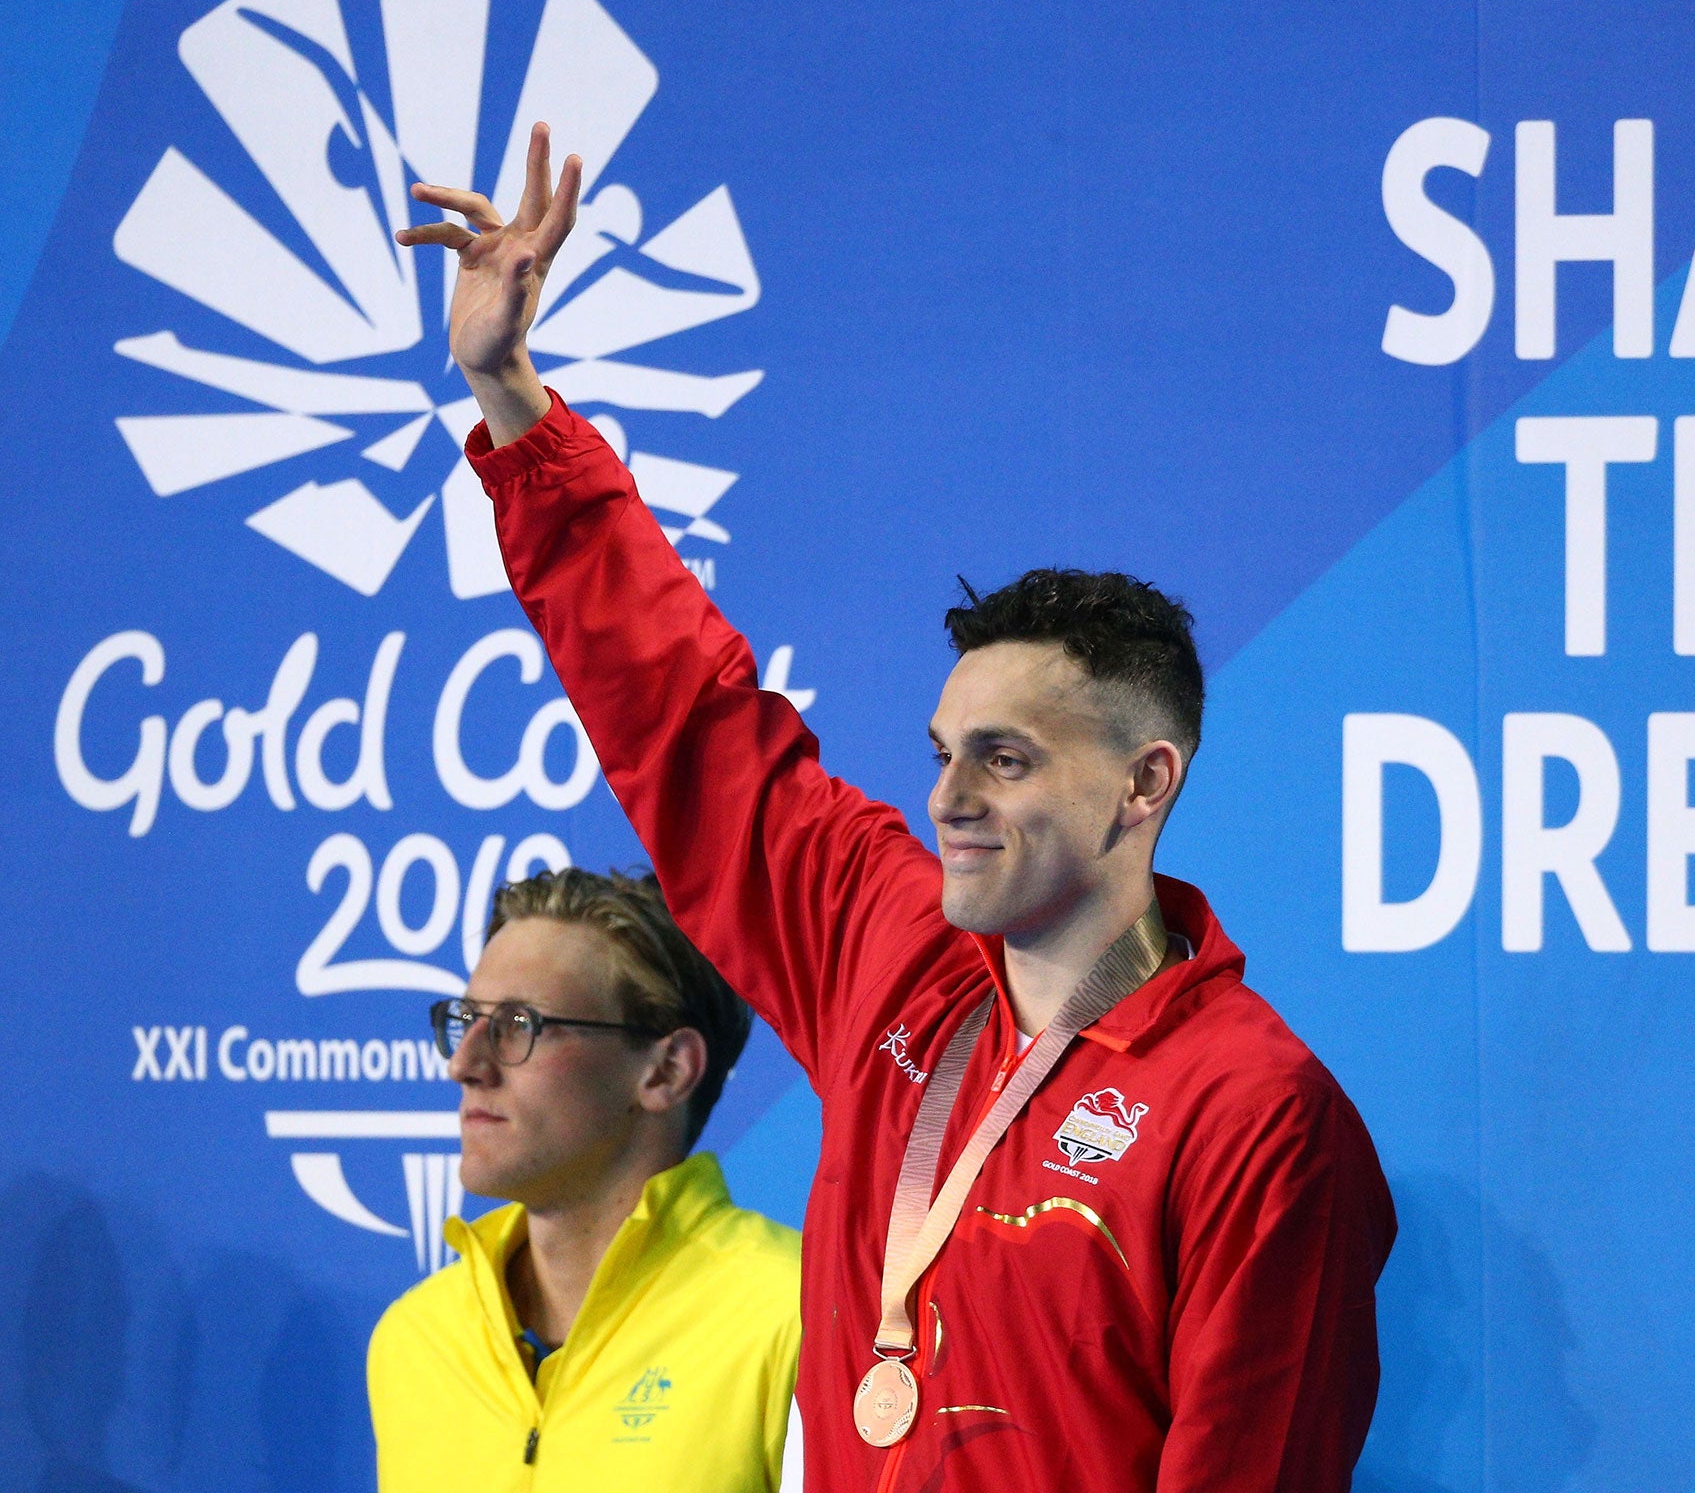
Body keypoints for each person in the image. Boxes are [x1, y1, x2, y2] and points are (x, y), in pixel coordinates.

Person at [395, 121, 1396, 1493]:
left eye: (1007, 760)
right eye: (942, 753)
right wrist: (511, 399)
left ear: (1144, 785)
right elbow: (687, 719)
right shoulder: (893, 956)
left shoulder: (1252, 1116)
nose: (948, 801)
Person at [366, 867, 802, 1491]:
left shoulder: (792, 1316)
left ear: (666, 1070)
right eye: (466, 1020)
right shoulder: (416, 1340)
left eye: (520, 1025)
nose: (465, 1064)